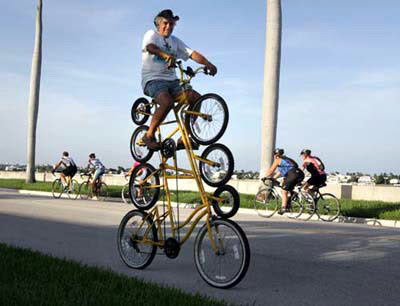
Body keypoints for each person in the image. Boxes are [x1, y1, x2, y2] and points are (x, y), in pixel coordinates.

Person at [141, 9, 218, 151]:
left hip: (173, 82)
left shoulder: (175, 42)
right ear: (158, 23)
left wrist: (208, 64)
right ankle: (149, 135)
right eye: (165, 23)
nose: (168, 27)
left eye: (171, 24)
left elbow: (192, 54)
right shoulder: (152, 35)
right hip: (153, 80)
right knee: (167, 102)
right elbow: (150, 47)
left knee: (196, 99)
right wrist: (165, 55)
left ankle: (185, 137)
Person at [262, 148, 305, 214]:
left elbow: (271, 171)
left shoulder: (277, 160)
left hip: (292, 174)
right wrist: (274, 178)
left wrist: (265, 177)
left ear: (275, 155)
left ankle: (284, 208)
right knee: (289, 188)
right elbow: (280, 172)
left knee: (284, 191)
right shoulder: (286, 159)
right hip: (300, 174)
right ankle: (290, 201)